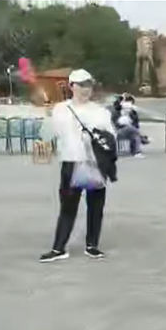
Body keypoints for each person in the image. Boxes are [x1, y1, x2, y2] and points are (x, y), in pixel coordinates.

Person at [40, 69, 116, 263]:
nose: (85, 89)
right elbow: (47, 135)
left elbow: (111, 136)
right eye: (81, 85)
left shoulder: (100, 111)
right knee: (67, 207)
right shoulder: (60, 109)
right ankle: (58, 248)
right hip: (70, 163)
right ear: (71, 86)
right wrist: (48, 117)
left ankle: (92, 245)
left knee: (95, 207)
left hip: (94, 164)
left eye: (88, 85)